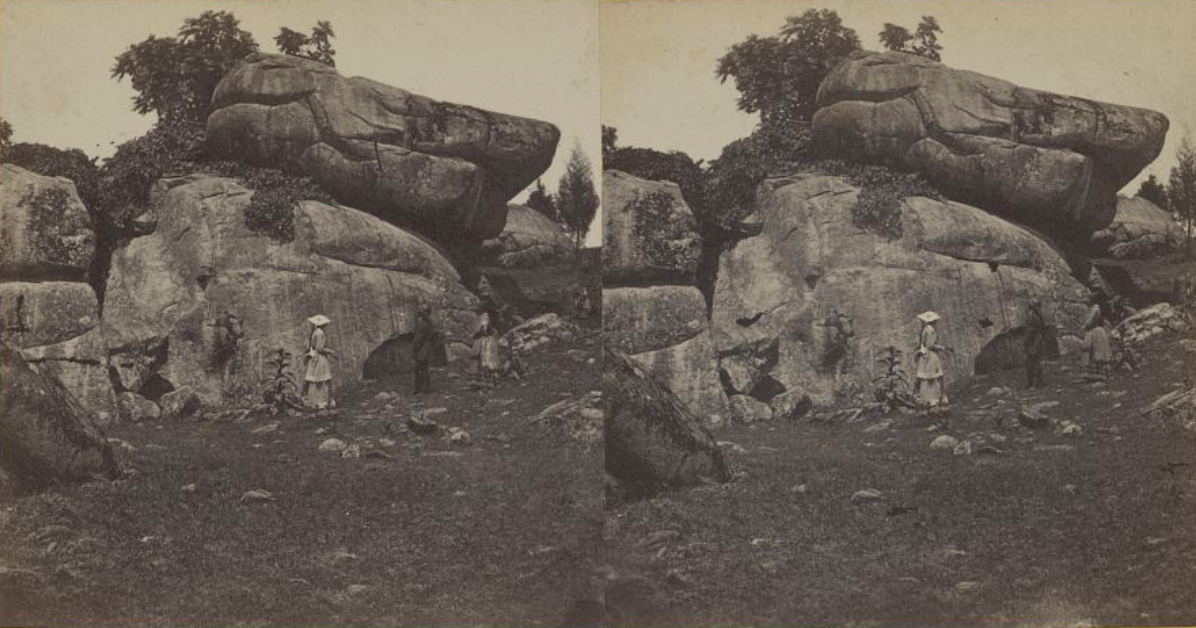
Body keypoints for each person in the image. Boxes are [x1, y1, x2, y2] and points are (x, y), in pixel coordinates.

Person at [914, 311, 949, 412]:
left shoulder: (926, 329)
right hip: (930, 355)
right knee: (932, 377)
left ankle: (933, 399)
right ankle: (932, 399)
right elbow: (930, 345)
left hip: (928, 354)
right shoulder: (929, 330)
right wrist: (942, 348)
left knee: (933, 377)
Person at [303, 314, 335, 409]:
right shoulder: (319, 333)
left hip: (315, 357)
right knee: (321, 379)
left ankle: (317, 401)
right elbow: (319, 348)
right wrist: (330, 351)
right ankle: (322, 402)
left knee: (317, 379)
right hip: (319, 358)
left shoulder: (315, 332)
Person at [1083, 293, 1114, 379]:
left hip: (1095, 331)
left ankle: (1097, 375)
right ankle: (1102, 374)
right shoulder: (1097, 308)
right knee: (1098, 351)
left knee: (1095, 351)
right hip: (1099, 330)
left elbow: (1089, 322)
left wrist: (1085, 327)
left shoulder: (1094, 309)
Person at [472, 312, 503, 388]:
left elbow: (487, 332)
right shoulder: (482, 324)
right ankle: (488, 382)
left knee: (489, 361)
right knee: (486, 361)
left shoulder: (487, 323)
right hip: (486, 343)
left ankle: (491, 382)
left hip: (488, 344)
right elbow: (477, 334)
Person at [1023, 301, 1049, 389]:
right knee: (1035, 361)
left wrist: (1026, 342)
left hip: (1033, 342)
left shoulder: (1032, 317)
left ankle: (1033, 383)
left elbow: (1029, 332)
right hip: (1037, 341)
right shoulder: (1039, 317)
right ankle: (1036, 382)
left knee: (1031, 362)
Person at [411, 306, 435, 395]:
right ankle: (426, 388)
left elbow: (418, 338)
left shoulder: (422, 324)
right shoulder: (430, 323)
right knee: (425, 369)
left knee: (418, 369)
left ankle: (419, 388)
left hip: (421, 349)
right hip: (427, 348)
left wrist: (414, 349)